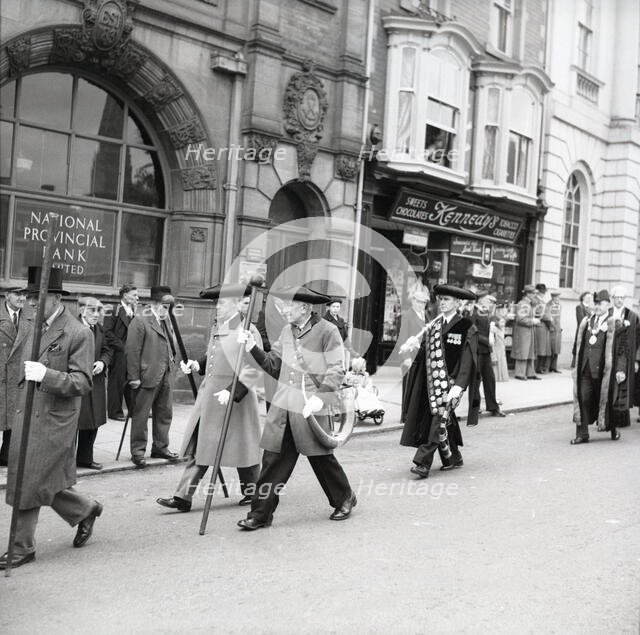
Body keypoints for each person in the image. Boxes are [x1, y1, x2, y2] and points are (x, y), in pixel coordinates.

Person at [1, 267, 102, 570]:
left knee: (28, 480)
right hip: (26, 414)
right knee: (38, 479)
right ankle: (85, 510)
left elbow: (82, 382)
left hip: (54, 419)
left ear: (56, 298)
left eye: (36, 297)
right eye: (29, 297)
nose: (30, 303)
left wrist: (48, 375)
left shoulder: (77, 332)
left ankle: (21, 548)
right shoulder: (30, 325)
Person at [236, 285, 356, 530]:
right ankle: (260, 514)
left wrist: (320, 397)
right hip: (282, 407)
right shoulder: (286, 331)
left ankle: (345, 498)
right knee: (272, 462)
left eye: (289, 305)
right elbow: (273, 366)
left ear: (304, 308)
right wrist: (252, 348)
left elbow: (337, 368)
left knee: (321, 459)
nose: (285, 310)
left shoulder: (328, 330)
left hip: (310, 408)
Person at [156, 283, 263, 512]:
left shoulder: (246, 330)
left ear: (236, 304)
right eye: (216, 303)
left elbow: (254, 367)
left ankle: (253, 492)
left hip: (235, 399)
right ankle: (183, 496)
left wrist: (233, 391)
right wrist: (197, 364)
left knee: (244, 448)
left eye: (222, 303)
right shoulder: (219, 327)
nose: (217, 307)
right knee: (201, 445)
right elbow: (212, 357)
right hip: (211, 396)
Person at [400, 285, 479, 478]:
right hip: (431, 382)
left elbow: (468, 360)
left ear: (458, 303)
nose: (442, 303)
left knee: (439, 419)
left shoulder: (466, 326)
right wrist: (414, 346)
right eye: (441, 299)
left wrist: (459, 386)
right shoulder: (434, 325)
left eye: (448, 300)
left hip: (450, 384)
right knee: (442, 420)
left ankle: (423, 462)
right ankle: (453, 457)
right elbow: (427, 355)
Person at [125, 286, 179, 468]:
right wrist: (134, 377)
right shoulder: (140, 322)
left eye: (169, 307)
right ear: (154, 304)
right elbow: (132, 351)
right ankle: (138, 451)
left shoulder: (167, 321)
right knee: (141, 416)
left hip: (165, 375)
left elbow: (171, 345)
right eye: (164, 307)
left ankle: (160, 447)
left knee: (165, 413)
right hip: (146, 376)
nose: (166, 311)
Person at [571, 289, 628, 444]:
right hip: (585, 369)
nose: (596, 306)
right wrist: (574, 365)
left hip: (604, 372)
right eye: (594, 303)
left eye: (600, 303)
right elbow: (578, 346)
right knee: (582, 398)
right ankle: (582, 434)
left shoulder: (615, 323)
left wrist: (621, 369)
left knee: (606, 402)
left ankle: (613, 428)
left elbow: (622, 349)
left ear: (607, 304)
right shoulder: (586, 321)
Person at [76, 296, 113, 470]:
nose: (97, 314)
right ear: (81, 310)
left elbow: (107, 350)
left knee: (92, 422)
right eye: (92, 310)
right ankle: (66, 461)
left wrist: (102, 362)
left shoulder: (100, 329)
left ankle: (85, 458)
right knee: (75, 423)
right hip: (77, 382)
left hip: (96, 382)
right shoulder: (72, 327)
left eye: (99, 310)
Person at [1, 285, 31, 467]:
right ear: (7, 296)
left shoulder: (30, 318)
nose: (22, 298)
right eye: (17, 294)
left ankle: (5, 456)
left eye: (24, 295)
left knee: (13, 418)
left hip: (17, 377)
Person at [104, 284, 138, 420]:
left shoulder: (132, 310)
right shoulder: (112, 309)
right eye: (134, 295)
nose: (137, 297)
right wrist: (122, 347)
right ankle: (114, 412)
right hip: (117, 353)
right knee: (116, 383)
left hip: (130, 353)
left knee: (131, 381)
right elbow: (107, 332)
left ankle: (133, 410)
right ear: (125, 295)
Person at [607, 286, 640, 428]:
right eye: (616, 297)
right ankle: (607, 418)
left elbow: (638, 340)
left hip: (627, 357)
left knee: (623, 386)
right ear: (612, 299)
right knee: (608, 386)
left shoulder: (632, 316)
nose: (619, 300)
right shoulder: (607, 314)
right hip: (608, 356)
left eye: (622, 298)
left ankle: (621, 419)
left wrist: (636, 360)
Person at [468, 292, 505, 417]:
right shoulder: (472, 312)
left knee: (490, 379)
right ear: (479, 300)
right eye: (486, 299)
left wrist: (493, 332)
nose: (489, 301)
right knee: (476, 381)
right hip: (476, 350)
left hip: (486, 351)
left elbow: (489, 328)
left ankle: (493, 407)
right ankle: (474, 408)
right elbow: (472, 332)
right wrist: (487, 340)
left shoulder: (484, 312)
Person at [398, 288, 428, 423]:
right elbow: (402, 336)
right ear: (413, 301)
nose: (421, 305)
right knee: (408, 386)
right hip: (410, 356)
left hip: (421, 356)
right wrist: (406, 357)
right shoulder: (408, 315)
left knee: (417, 386)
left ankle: (413, 414)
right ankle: (405, 415)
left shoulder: (424, 315)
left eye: (423, 302)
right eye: (419, 302)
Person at [255, 294, 290, 411]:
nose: (285, 301)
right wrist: (275, 348)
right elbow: (261, 334)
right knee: (272, 393)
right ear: (276, 299)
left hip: (288, 360)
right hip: (273, 358)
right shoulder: (265, 313)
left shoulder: (290, 312)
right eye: (283, 298)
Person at [511, 285, 541, 380]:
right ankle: (520, 373)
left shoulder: (529, 304)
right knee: (523, 352)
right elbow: (520, 319)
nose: (535, 295)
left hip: (528, 331)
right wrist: (532, 321)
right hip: (523, 332)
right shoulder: (523, 304)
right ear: (528, 294)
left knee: (529, 352)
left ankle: (530, 373)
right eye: (533, 293)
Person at [533, 283, 552, 374]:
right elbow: (541, 314)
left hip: (544, 326)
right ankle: (536, 367)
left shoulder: (542, 301)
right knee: (539, 348)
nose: (543, 293)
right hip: (540, 325)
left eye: (543, 292)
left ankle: (539, 367)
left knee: (543, 348)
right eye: (541, 292)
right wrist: (549, 320)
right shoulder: (536, 301)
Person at [571, 291, 594, 367]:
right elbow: (580, 319)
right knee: (578, 346)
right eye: (588, 297)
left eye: (590, 298)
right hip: (581, 330)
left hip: (588, 331)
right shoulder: (579, 307)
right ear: (583, 297)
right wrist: (590, 320)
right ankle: (575, 364)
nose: (589, 299)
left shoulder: (590, 308)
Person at [547, 291, 563, 373]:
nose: (558, 299)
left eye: (558, 298)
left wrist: (559, 327)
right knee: (551, 348)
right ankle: (548, 366)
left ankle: (554, 367)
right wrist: (552, 327)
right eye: (557, 298)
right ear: (553, 297)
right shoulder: (548, 305)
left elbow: (558, 318)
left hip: (558, 330)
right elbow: (550, 318)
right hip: (552, 330)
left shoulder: (559, 306)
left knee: (556, 349)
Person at [491, 316, 509, 382]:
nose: (503, 324)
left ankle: (502, 377)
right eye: (501, 322)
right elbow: (492, 343)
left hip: (501, 350)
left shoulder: (502, 329)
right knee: (496, 365)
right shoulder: (494, 330)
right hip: (496, 350)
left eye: (504, 322)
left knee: (502, 363)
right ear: (497, 322)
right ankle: (497, 377)